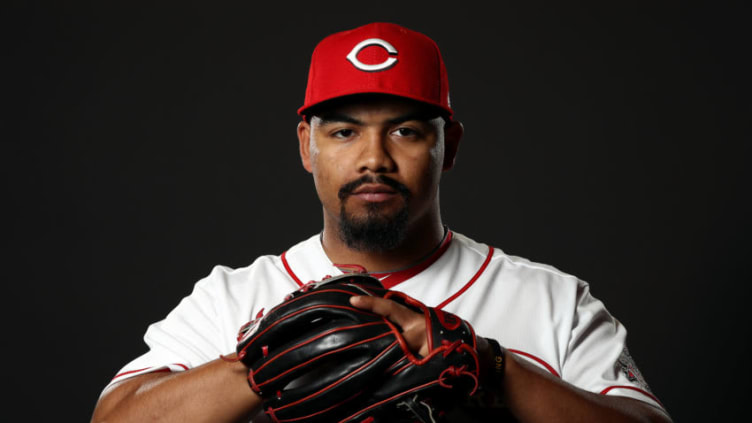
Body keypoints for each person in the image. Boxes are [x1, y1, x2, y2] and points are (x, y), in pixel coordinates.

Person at [91, 22, 672, 422]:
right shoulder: (231, 301)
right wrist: (256, 367)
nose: (374, 157)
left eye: (406, 130)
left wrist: (492, 368)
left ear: (450, 147)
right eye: (344, 131)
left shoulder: (551, 301)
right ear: (306, 146)